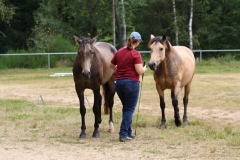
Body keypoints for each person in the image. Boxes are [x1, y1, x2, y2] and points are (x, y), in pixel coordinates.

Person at [110, 31, 147, 142]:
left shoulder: (120, 51)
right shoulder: (135, 54)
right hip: (131, 84)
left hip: (118, 84)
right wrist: (145, 68)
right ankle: (123, 134)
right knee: (130, 109)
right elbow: (139, 71)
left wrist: (120, 70)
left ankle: (129, 132)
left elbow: (111, 65)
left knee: (126, 108)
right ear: (138, 42)